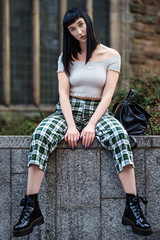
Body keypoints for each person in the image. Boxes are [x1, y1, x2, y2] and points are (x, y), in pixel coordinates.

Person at [13, 8, 152, 237]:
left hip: (99, 112)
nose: (79, 31)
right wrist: (70, 125)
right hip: (67, 112)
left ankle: (133, 206)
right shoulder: (65, 57)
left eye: (80, 24)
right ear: (68, 33)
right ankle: (31, 207)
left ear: (87, 21)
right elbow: (63, 94)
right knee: (40, 135)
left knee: (119, 136)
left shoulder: (112, 55)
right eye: (72, 29)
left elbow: (107, 95)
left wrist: (90, 125)